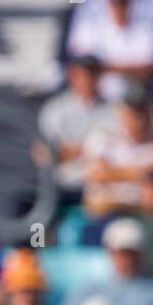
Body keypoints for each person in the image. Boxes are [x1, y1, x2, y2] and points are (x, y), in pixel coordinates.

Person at [79, 82, 153, 234]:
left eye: (142, 112)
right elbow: (95, 175)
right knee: (93, 204)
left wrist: (112, 172)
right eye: (132, 113)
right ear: (122, 112)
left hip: (151, 215)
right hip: (108, 213)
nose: (138, 120)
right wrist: (146, 172)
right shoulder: (104, 135)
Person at [66, 0, 153, 103]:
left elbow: (149, 67)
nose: (118, 4)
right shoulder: (92, 10)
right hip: (99, 99)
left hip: (140, 100)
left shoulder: (151, 16)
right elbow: (81, 59)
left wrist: (103, 69)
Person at [36, 55, 113, 202]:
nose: (87, 80)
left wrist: (65, 151)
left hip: (97, 188)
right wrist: (88, 150)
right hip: (58, 186)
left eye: (93, 75)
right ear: (72, 77)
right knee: (32, 219)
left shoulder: (113, 111)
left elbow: (112, 154)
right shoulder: (55, 110)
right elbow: (42, 155)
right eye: (82, 75)